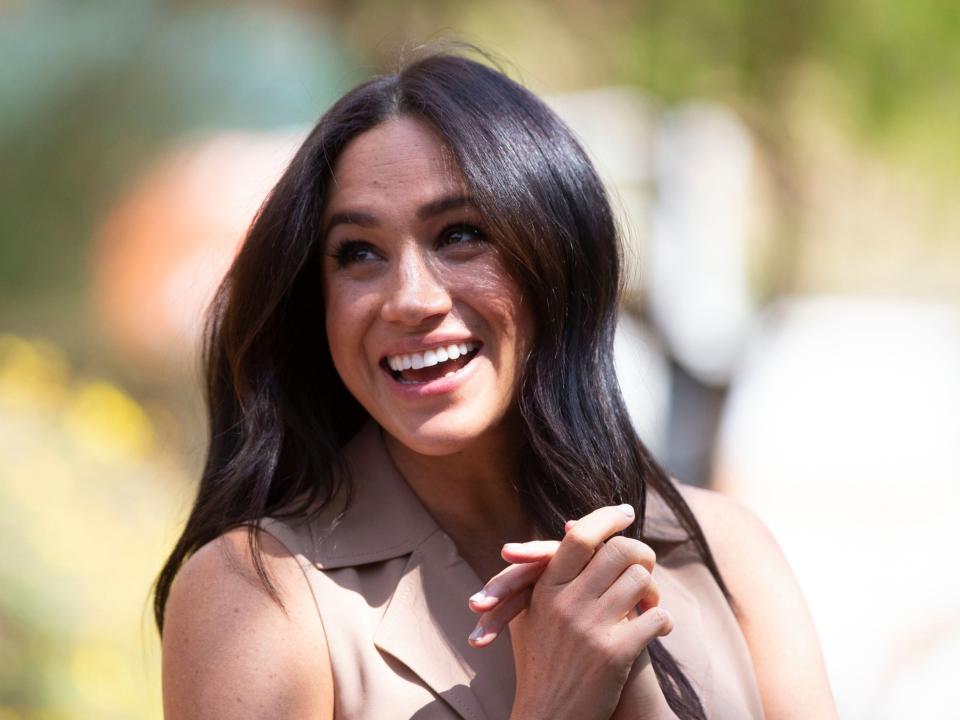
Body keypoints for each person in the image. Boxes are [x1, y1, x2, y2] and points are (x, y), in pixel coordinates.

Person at [154, 48, 837, 720]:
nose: (410, 299)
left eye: (460, 235)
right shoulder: (255, 591)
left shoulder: (725, 553)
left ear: (558, 259)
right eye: (359, 252)